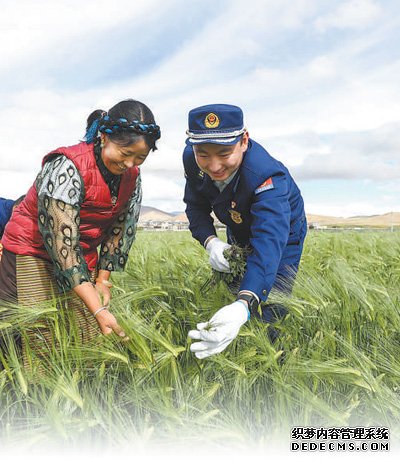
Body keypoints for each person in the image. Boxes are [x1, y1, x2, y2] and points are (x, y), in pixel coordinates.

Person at [0, 99, 161, 360]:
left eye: (140, 157)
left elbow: (121, 230)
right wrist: (97, 308)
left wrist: (103, 280)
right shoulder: (67, 165)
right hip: (32, 250)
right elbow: (62, 245)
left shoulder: (132, 177)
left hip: (82, 253)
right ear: (104, 137)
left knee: (87, 336)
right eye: (125, 153)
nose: (130, 164)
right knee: (39, 337)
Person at [183, 104, 307, 359]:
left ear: (244, 140)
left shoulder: (267, 176)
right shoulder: (191, 159)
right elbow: (195, 206)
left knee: (271, 299)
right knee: (235, 282)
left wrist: (244, 304)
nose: (214, 165)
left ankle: (271, 360)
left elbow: (268, 242)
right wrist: (210, 242)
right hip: (237, 225)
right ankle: (236, 343)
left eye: (224, 152)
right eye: (203, 153)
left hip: (282, 235)